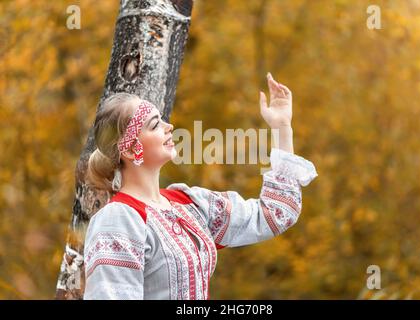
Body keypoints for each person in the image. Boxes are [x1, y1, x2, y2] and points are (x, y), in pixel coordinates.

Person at [83, 72, 318, 299]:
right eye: (155, 125)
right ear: (132, 149)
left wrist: (282, 128)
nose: (169, 126)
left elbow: (276, 213)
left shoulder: (189, 205)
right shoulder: (118, 221)